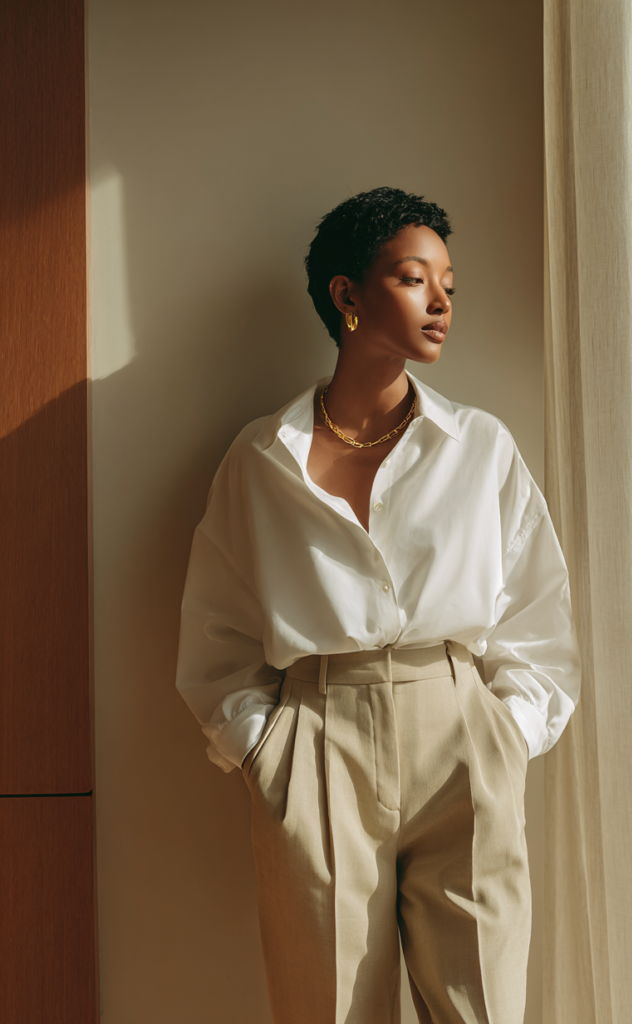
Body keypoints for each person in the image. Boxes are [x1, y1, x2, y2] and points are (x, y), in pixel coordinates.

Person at [175, 186, 581, 1024]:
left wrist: (505, 733)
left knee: (480, 1008)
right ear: (347, 294)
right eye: (412, 277)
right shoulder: (262, 458)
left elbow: (535, 611)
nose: (440, 301)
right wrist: (264, 751)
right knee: (327, 1008)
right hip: (317, 739)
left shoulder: (479, 448)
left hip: (462, 731)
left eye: (449, 286)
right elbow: (218, 628)